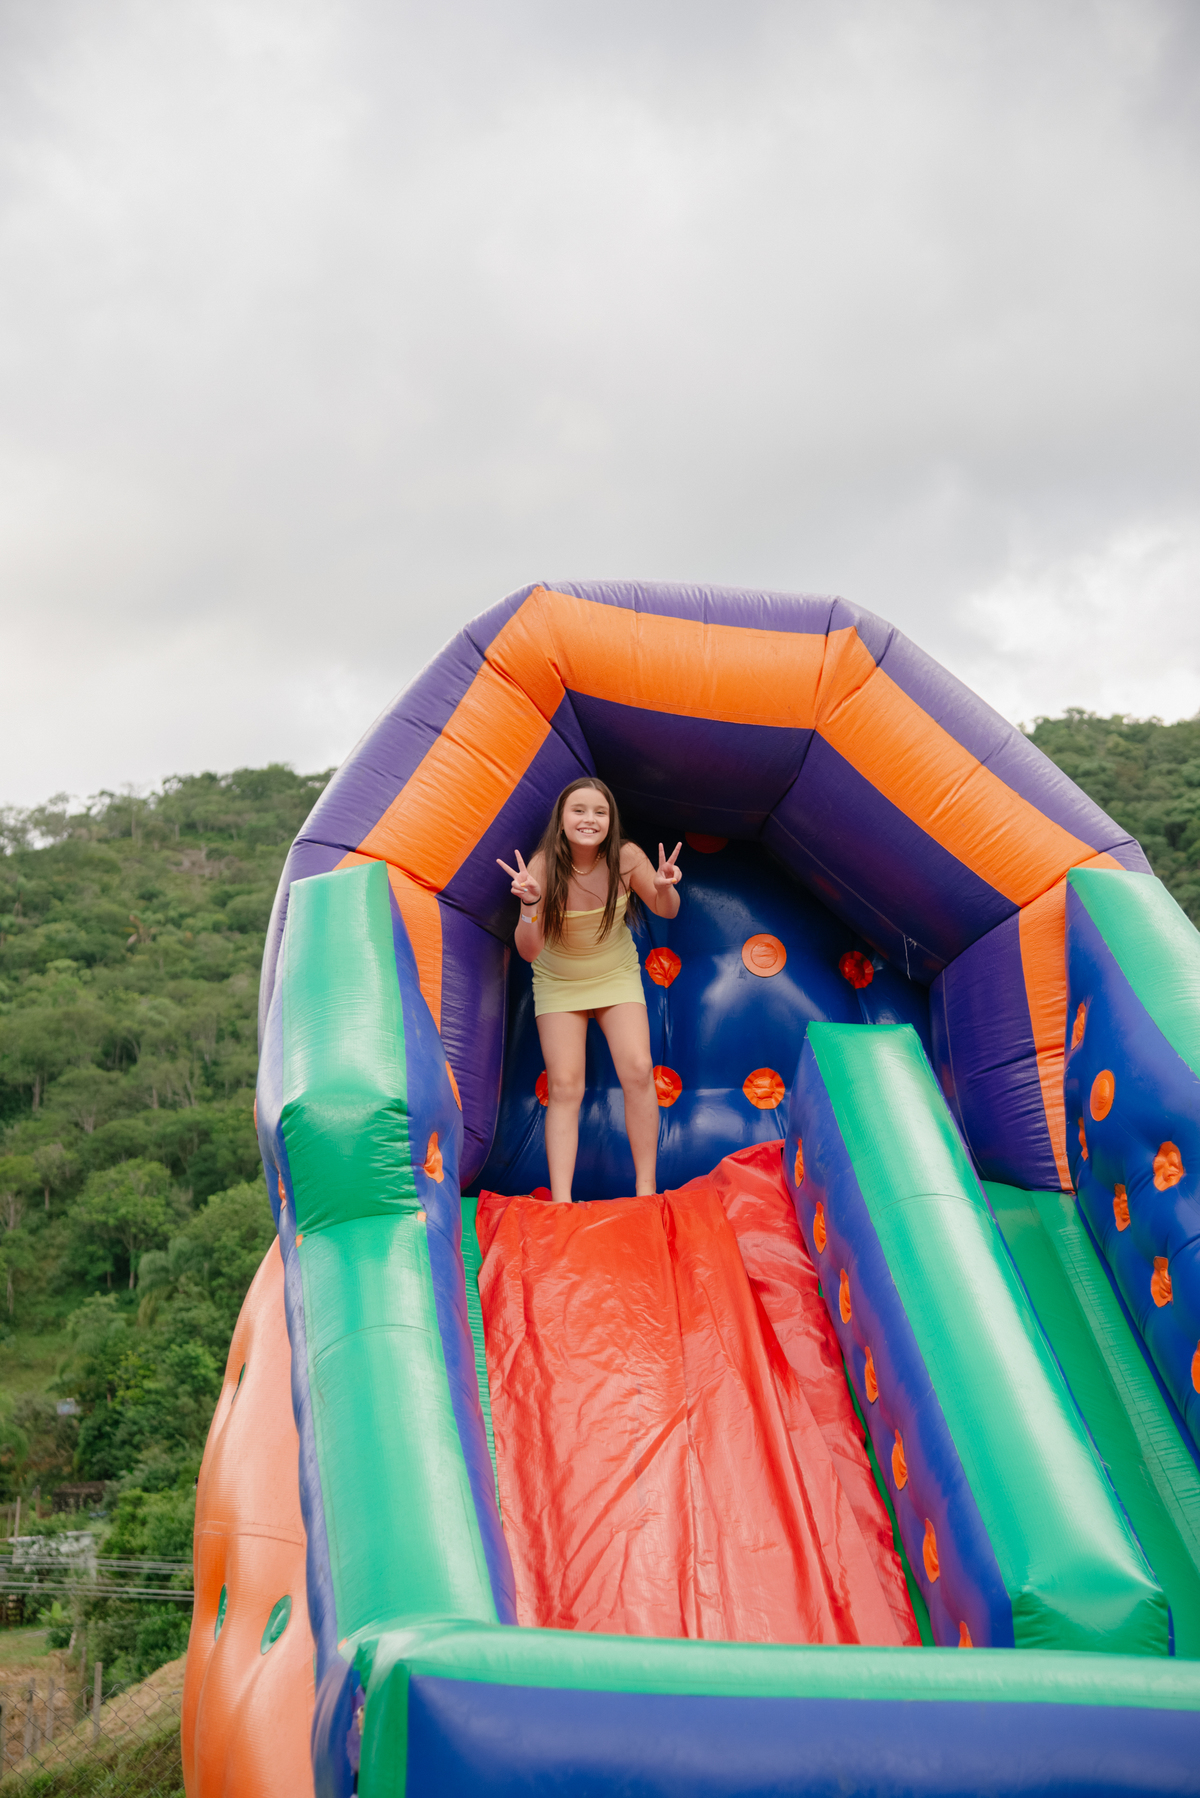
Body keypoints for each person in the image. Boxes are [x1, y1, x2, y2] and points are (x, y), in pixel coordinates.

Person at [497, 779, 682, 1203]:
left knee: (638, 1070)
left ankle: (646, 1191)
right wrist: (529, 906)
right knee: (565, 1086)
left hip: (615, 974)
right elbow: (529, 952)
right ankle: (561, 1201)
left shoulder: (626, 858)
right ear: (561, 821)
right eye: (578, 811)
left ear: (611, 821)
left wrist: (666, 886)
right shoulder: (543, 867)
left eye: (600, 812)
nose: (589, 820)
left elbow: (664, 909)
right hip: (558, 981)